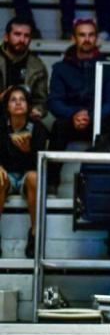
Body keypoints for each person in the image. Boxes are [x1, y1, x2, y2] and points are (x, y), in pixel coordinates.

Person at [47, 18, 110, 187]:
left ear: (96, 38)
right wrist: (73, 115)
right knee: (58, 128)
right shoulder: (60, 68)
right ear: (74, 38)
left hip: (99, 119)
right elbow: (54, 101)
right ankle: (50, 184)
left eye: (91, 35)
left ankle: (105, 186)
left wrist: (92, 116)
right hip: (69, 120)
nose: (87, 39)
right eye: (82, 35)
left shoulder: (109, 67)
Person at [0, 86, 49, 258]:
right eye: (13, 100)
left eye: (22, 99)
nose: (18, 103)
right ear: (7, 107)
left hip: (27, 176)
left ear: (28, 105)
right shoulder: (1, 125)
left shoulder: (38, 128)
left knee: (35, 178)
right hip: (6, 175)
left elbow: (42, 165)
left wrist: (29, 151)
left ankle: (35, 233)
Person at [0, 17, 49, 119]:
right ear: (6, 37)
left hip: (24, 118)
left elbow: (41, 100)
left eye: (26, 36)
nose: (22, 40)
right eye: (17, 34)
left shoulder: (37, 66)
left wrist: (37, 110)